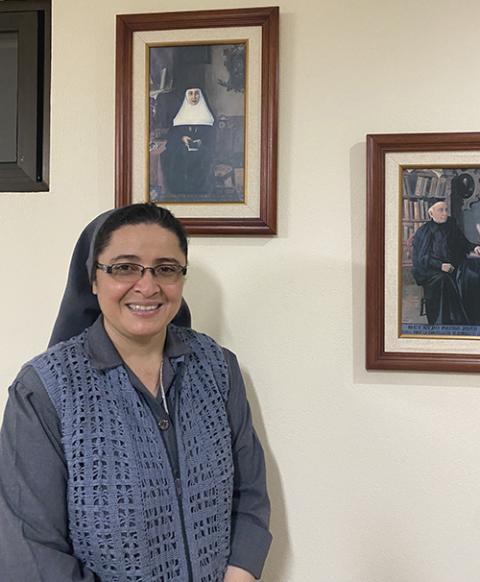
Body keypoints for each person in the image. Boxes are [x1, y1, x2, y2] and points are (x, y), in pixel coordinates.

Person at [0, 204, 271, 581]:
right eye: (124, 267)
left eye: (166, 268)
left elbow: (250, 494)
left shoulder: (218, 368)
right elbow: (31, 550)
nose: (147, 286)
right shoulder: (43, 389)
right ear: (93, 279)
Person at [412, 198, 480, 325]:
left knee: (474, 275)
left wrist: (475, 247)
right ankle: (447, 321)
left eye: (446, 210)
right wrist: (440, 265)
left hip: (455, 266)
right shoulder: (424, 231)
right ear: (431, 213)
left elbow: (463, 243)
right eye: (440, 210)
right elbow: (422, 258)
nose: (445, 213)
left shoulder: (451, 225)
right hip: (432, 271)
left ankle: (473, 317)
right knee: (444, 280)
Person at [161, 88, 215, 195]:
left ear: (200, 96)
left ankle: (201, 192)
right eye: (190, 94)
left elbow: (212, 138)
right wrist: (182, 138)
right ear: (186, 96)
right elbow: (171, 136)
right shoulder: (179, 117)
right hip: (181, 154)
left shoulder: (208, 118)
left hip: (202, 155)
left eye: (196, 94)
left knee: (203, 160)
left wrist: (202, 141)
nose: (194, 97)